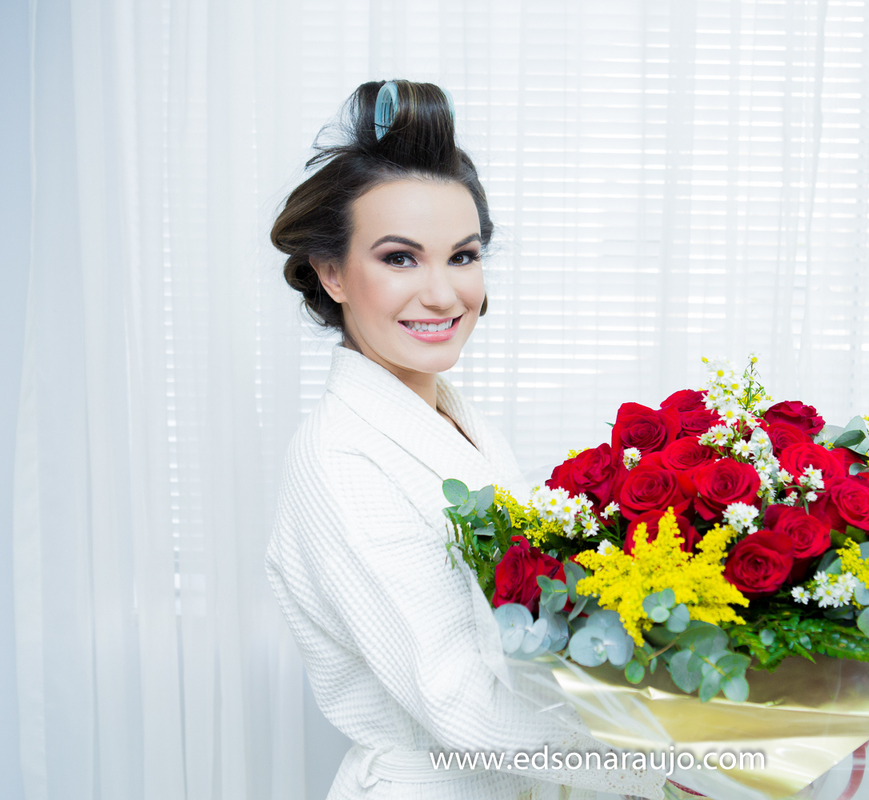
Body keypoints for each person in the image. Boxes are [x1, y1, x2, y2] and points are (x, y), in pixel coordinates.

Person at [264, 80, 667, 800]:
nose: (445, 294)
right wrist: (673, 766)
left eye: (462, 256)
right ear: (331, 273)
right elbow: (458, 701)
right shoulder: (338, 460)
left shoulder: (454, 416)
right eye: (399, 258)